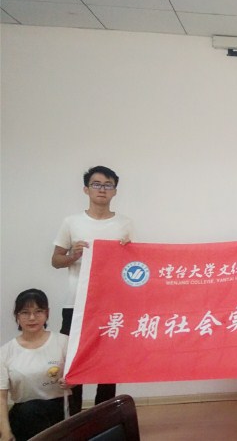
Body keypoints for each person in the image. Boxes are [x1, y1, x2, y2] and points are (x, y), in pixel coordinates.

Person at [51, 165, 133, 415]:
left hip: (111, 306)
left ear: (115, 191)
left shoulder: (125, 224)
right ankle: (75, 419)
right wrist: (73, 255)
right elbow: (55, 260)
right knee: (74, 362)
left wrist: (129, 252)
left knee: (107, 364)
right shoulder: (71, 222)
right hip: (76, 303)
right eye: (96, 184)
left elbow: (132, 268)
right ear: (86, 189)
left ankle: (103, 418)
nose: (102, 189)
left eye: (108, 185)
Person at [1, 289, 71, 441]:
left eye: (38, 311)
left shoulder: (63, 342)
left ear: (47, 313)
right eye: (25, 312)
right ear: (17, 315)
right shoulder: (5, 351)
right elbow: (1, 397)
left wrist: (72, 382)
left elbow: (77, 375)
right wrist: (5, 432)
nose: (32, 318)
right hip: (23, 414)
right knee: (29, 412)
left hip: (58, 410)